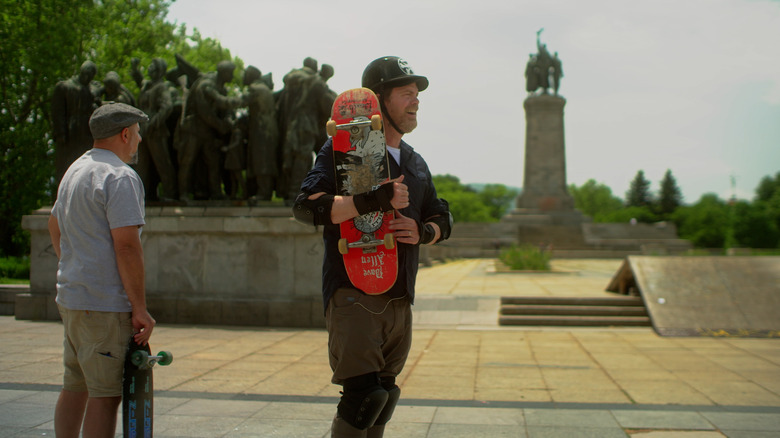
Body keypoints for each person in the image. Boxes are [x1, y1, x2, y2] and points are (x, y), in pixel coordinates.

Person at [292, 56, 452, 438]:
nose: (415, 102)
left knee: (383, 398)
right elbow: (305, 207)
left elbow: (442, 217)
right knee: (362, 399)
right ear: (378, 101)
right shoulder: (346, 149)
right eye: (406, 94)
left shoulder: (414, 162)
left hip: (399, 297)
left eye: (417, 95)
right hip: (354, 291)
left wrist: (423, 231)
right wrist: (372, 199)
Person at [48, 102, 156, 437]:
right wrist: (139, 308)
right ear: (125, 133)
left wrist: (76, 263)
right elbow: (126, 245)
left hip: (73, 298)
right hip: (104, 305)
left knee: (75, 385)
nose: (138, 142)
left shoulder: (75, 170)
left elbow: (54, 224)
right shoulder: (120, 176)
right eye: (137, 135)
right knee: (105, 395)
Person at [51, 60, 102, 187]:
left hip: (87, 133)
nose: (88, 76)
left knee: (87, 167)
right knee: (66, 165)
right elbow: (58, 112)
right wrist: (60, 132)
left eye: (91, 75)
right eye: (87, 73)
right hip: (71, 131)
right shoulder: (65, 86)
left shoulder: (93, 89)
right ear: (82, 70)